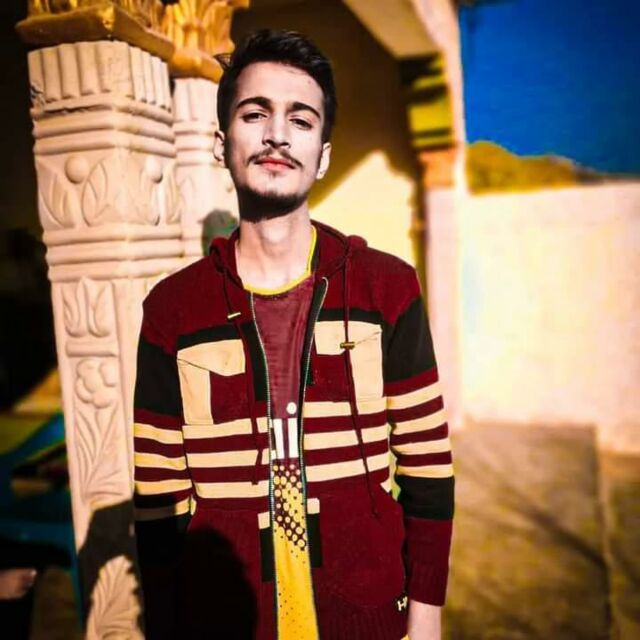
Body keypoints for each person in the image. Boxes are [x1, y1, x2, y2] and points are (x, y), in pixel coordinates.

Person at [133, 29, 454, 640]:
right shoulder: (172, 311)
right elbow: (159, 495)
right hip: (225, 620)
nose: (277, 134)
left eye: (300, 119)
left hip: (365, 615)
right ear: (222, 143)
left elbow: (427, 465)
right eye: (255, 114)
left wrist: (427, 613)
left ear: (323, 155)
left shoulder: (388, 290)